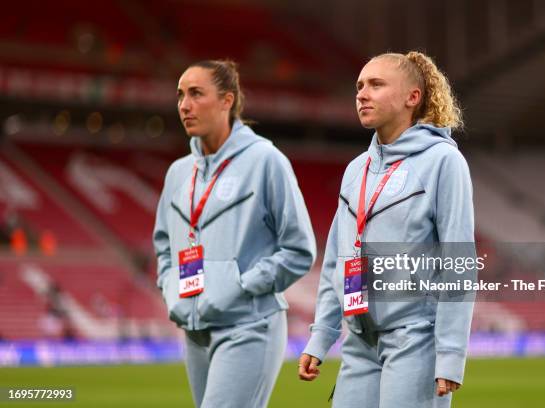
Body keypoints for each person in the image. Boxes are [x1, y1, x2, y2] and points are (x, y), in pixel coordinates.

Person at [298, 51, 475, 408]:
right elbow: (337, 259)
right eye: (359, 86)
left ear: (413, 97)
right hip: (359, 341)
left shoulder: (444, 161)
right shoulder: (355, 170)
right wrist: (321, 336)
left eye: (376, 85)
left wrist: (451, 353)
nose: (362, 94)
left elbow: (459, 261)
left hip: (416, 341)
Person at [153, 59, 316, 408]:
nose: (184, 105)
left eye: (196, 93)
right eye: (180, 95)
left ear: (227, 101)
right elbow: (164, 246)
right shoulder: (178, 173)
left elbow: (299, 249)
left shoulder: (265, 161)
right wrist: (171, 291)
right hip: (194, 332)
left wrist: (240, 286)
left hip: (249, 326)